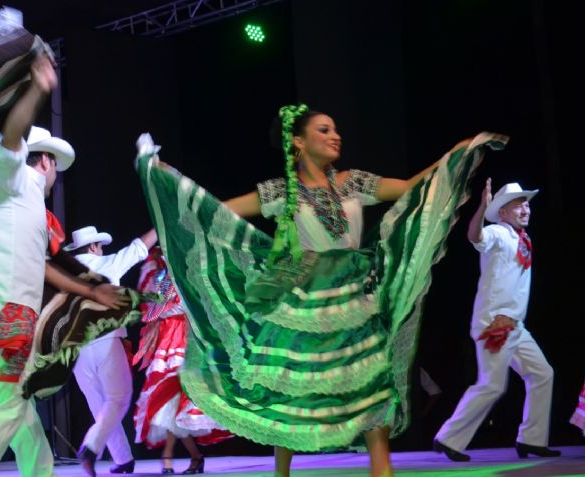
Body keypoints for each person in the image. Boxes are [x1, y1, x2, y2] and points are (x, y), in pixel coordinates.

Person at [134, 104, 507, 477]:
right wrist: (166, 180)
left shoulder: (353, 182)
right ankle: (282, 473)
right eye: (324, 130)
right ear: (299, 142)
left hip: (355, 295)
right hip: (301, 299)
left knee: (371, 382)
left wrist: (459, 151)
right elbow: (215, 212)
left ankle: (382, 471)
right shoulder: (281, 191)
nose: (335, 136)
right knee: (290, 388)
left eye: (335, 130)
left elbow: (412, 187)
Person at [0, 53, 127, 477]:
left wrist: (88, 290)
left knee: (16, 405)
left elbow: (44, 269)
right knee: (8, 401)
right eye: (54, 169)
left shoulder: (27, 210)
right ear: (45, 161)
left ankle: (40, 472)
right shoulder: (14, 180)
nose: (54, 176)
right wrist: (36, 90)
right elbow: (11, 139)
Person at [433, 180, 559, 461]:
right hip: (495, 325)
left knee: (542, 374)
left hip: (516, 326)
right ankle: (448, 438)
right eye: (518, 205)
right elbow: (474, 236)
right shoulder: (499, 233)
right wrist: (482, 207)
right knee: (492, 385)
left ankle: (531, 440)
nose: (526, 209)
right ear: (502, 213)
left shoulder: (523, 239)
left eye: (526, 204)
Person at [65, 226, 157, 476]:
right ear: (93, 247)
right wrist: (159, 226)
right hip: (105, 341)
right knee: (118, 398)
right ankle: (90, 447)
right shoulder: (105, 265)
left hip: (76, 350)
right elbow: (138, 248)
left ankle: (123, 459)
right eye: (100, 246)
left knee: (99, 406)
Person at [132, 247, 232, 474]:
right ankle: (192, 457)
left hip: (185, 339)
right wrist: (160, 308)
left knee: (177, 400)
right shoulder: (160, 275)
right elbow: (149, 308)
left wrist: (163, 310)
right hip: (167, 339)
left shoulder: (187, 273)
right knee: (169, 402)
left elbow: (191, 305)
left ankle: (171, 457)